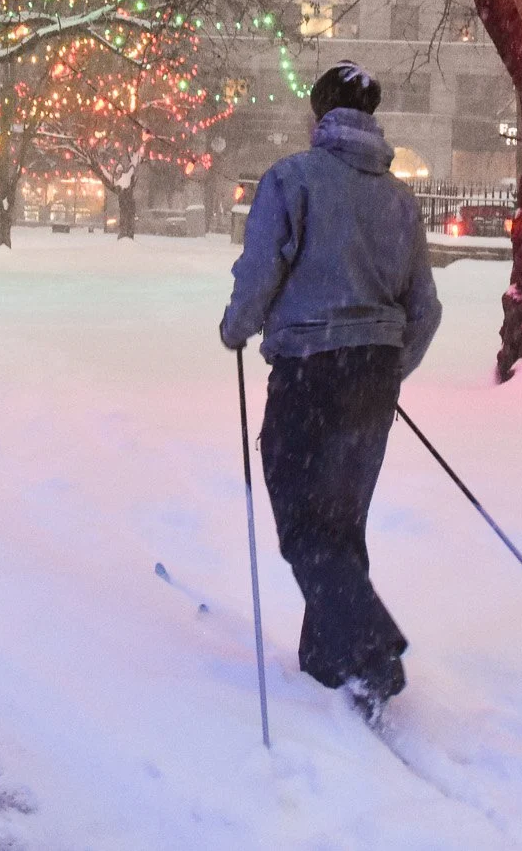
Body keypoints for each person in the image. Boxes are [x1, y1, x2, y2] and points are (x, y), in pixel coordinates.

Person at [219, 61, 442, 724]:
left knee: (303, 521)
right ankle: (326, 660)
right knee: (341, 519)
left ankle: (370, 651)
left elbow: (260, 269)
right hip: (371, 376)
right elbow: (424, 309)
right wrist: (383, 368)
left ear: (319, 117)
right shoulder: (400, 199)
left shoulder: (291, 179)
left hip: (308, 369)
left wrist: (237, 326)